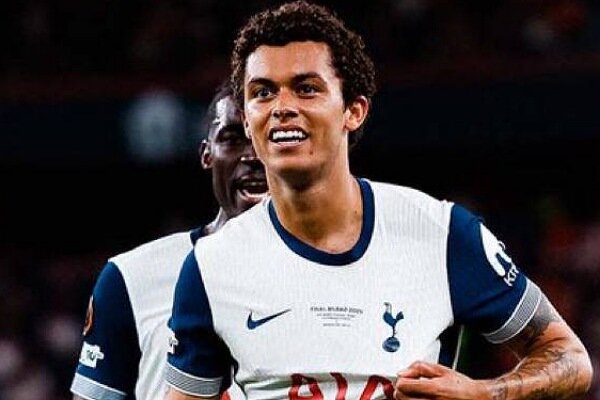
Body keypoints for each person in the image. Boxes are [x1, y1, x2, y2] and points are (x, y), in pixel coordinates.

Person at [164, 2, 593, 399]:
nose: (282, 107)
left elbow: (570, 358)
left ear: (354, 110)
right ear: (248, 119)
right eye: (262, 92)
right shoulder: (211, 266)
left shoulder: (442, 233)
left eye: (306, 88)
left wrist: (483, 393)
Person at [70, 81, 267, 400]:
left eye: (266, 138)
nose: (253, 156)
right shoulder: (131, 277)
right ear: (207, 154)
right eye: (232, 139)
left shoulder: (336, 271)